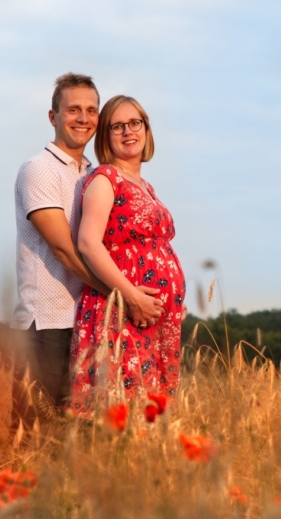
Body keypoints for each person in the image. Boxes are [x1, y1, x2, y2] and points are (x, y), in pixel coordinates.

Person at [10, 75, 163, 435]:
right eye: (73, 110)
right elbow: (64, 249)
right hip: (46, 322)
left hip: (90, 323)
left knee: (76, 436)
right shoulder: (39, 170)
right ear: (53, 116)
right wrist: (124, 296)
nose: (83, 118)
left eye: (91, 110)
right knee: (33, 432)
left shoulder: (94, 175)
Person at [68, 95, 186, 415]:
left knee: (153, 413)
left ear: (146, 129)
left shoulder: (145, 185)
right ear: (106, 136)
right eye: (117, 126)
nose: (127, 131)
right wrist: (131, 296)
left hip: (153, 316)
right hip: (122, 311)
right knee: (123, 409)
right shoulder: (106, 179)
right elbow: (88, 244)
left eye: (135, 123)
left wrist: (173, 299)